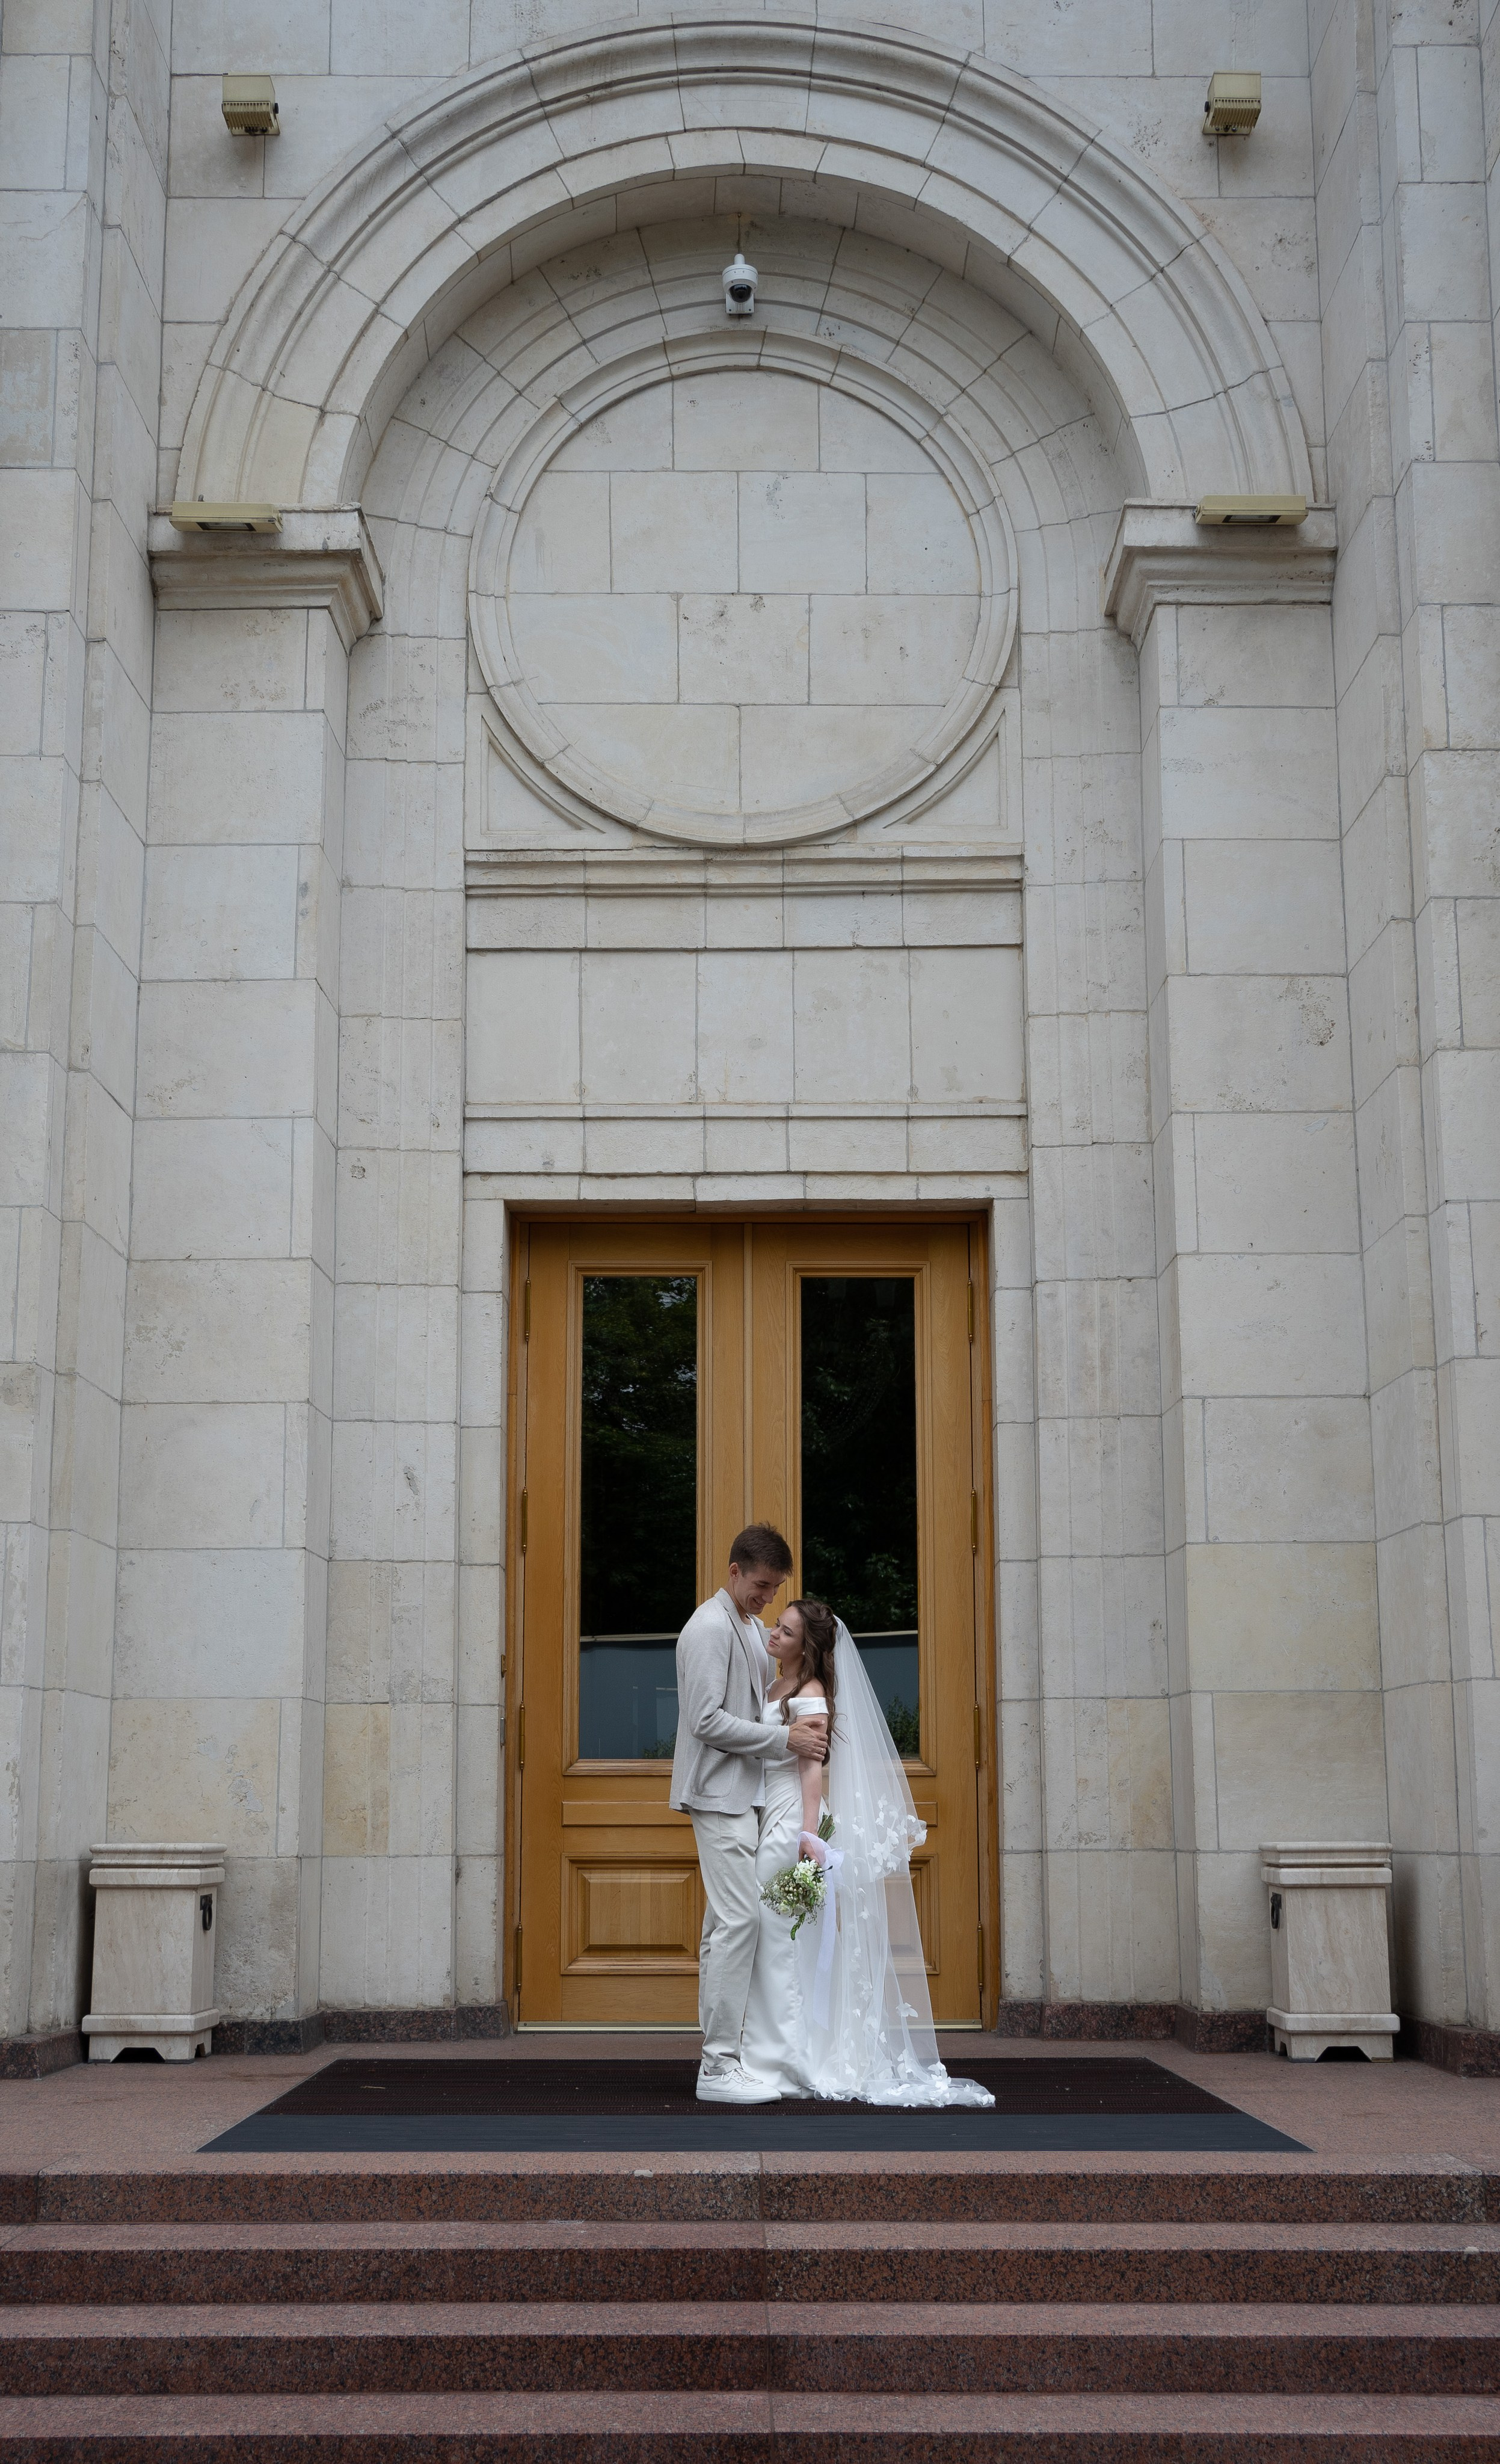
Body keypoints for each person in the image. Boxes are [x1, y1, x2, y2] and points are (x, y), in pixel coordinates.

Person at [739, 1595, 995, 2109]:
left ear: (806, 1647)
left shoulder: (808, 1692)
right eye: (777, 1626)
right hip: (764, 1811)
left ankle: (785, 2060)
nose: (774, 1635)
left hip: (790, 1817)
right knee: (770, 1936)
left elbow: (812, 1769)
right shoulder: (773, 1685)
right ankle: (769, 2051)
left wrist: (809, 1837)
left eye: (787, 1633)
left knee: (777, 1935)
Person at [669, 1524, 829, 2105]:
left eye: (776, 1589)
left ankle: (721, 2052)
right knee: (740, 1923)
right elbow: (705, 1722)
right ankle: (718, 2067)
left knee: (723, 1930)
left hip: (747, 1797)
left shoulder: (746, 1626)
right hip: (718, 1794)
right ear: (735, 1571)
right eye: (762, 1586)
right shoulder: (708, 1628)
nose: (768, 1598)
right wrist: (782, 1739)